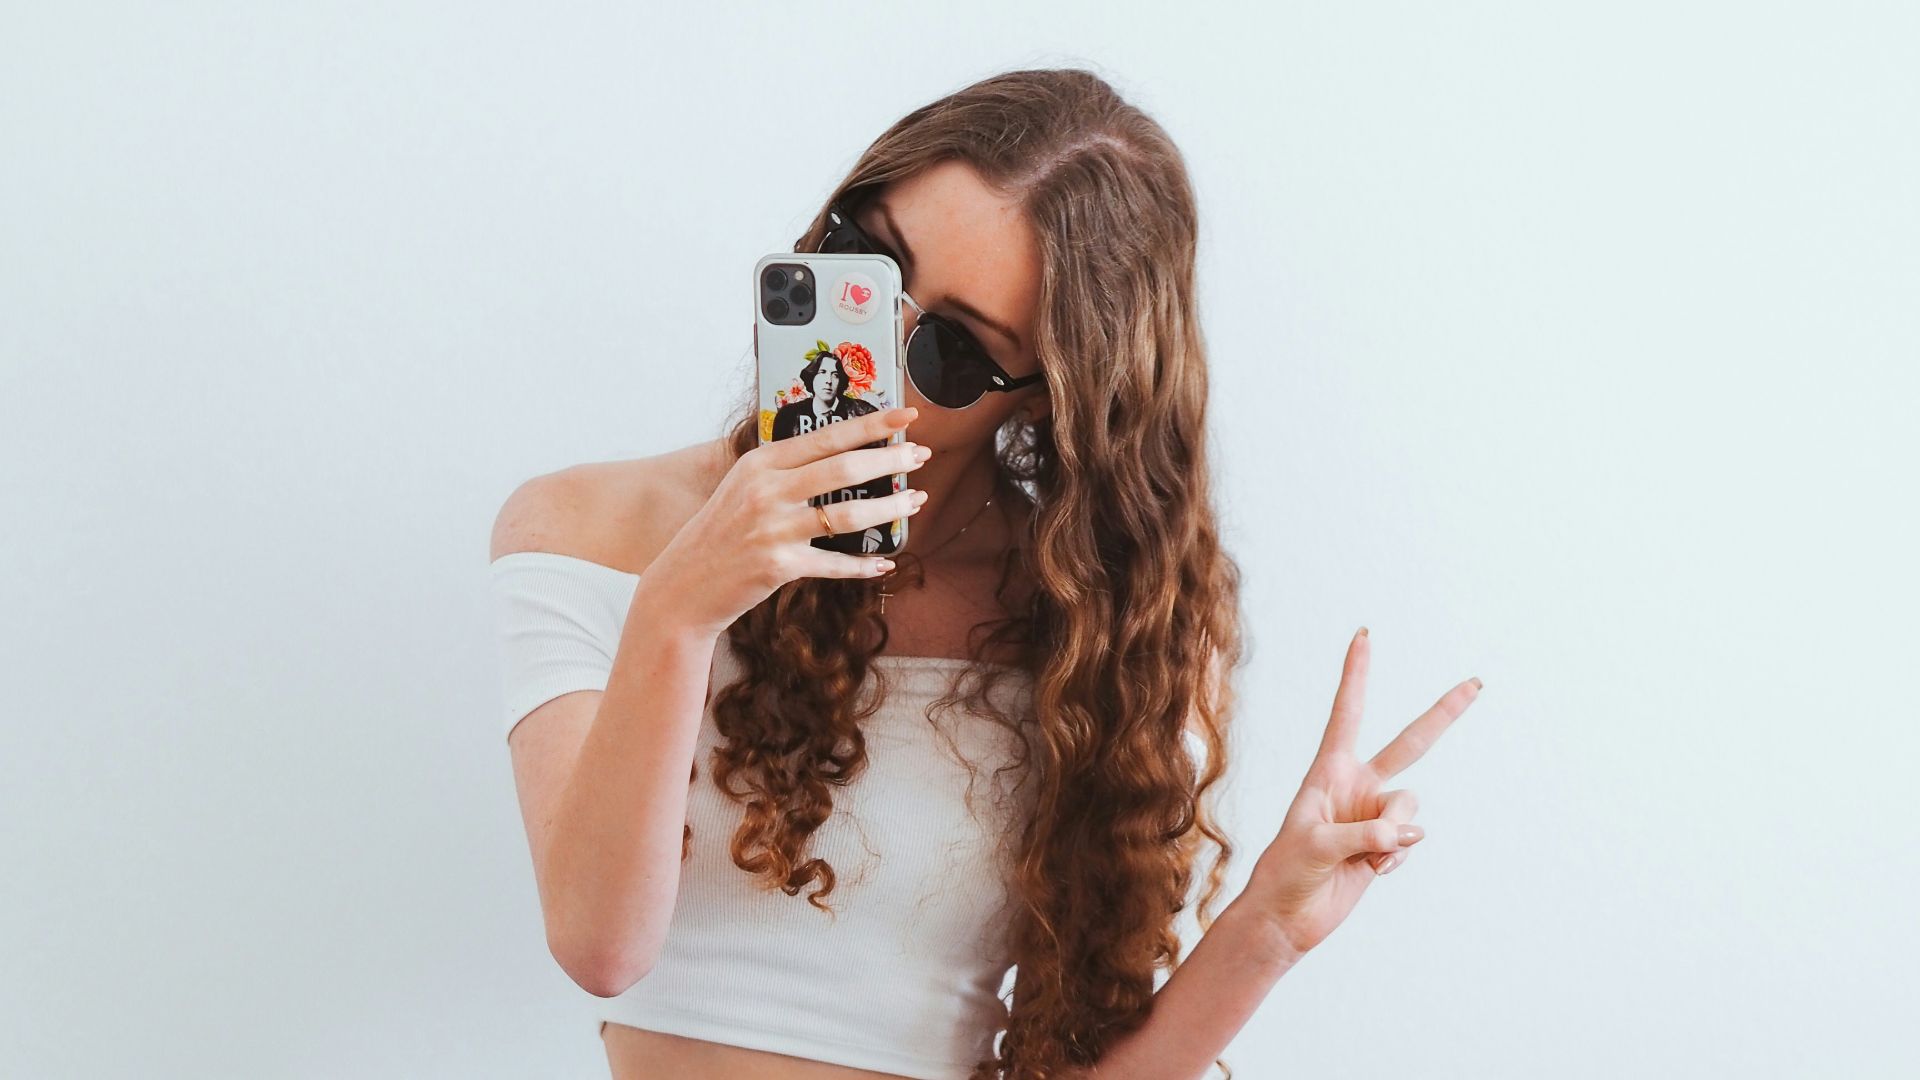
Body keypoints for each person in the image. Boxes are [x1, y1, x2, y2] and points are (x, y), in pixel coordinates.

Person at [488, 67, 1481, 1080]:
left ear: (1044, 395)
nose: (874, 353)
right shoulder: (582, 529)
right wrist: (677, 612)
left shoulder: (1101, 632)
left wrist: (1269, 927)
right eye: (865, 266)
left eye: (954, 350)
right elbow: (601, 947)